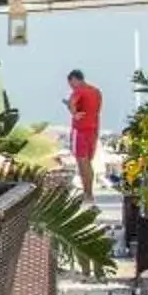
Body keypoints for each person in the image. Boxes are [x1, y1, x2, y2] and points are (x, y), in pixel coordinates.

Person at [63, 70, 104, 200]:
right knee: (88, 162)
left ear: (74, 79)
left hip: (80, 129)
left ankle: (87, 194)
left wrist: (74, 113)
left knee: (82, 162)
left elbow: (72, 102)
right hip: (93, 128)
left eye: (71, 83)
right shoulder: (96, 91)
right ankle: (89, 192)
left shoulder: (79, 90)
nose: (71, 87)